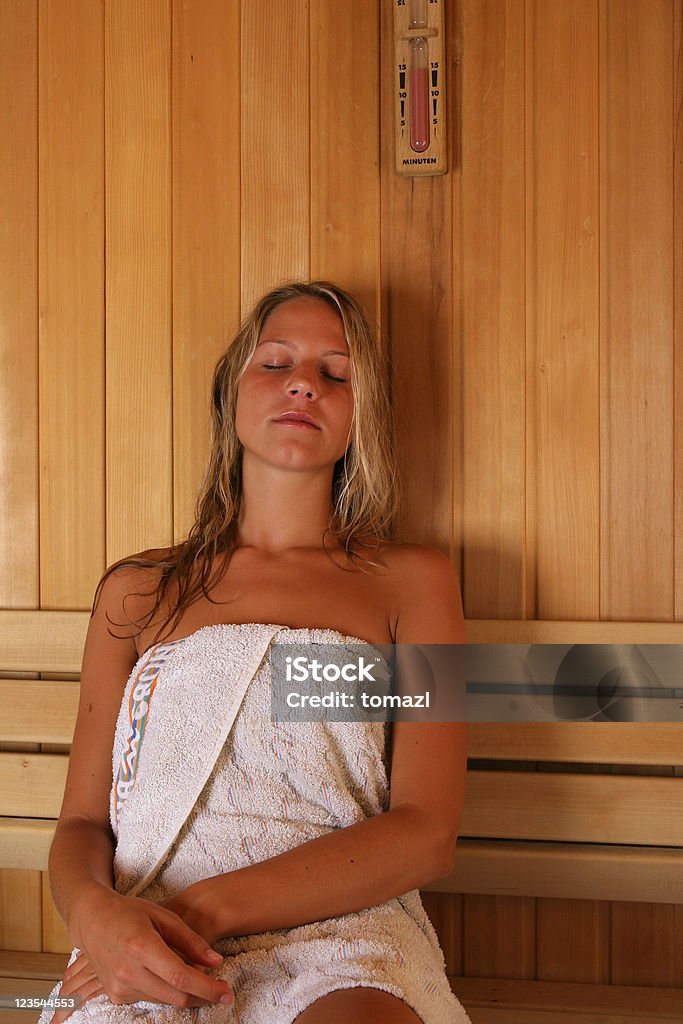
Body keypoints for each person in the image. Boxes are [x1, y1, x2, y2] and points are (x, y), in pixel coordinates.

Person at [41, 281, 471, 1024]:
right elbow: (82, 823)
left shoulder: (412, 584)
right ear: (229, 396)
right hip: (146, 936)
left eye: (336, 374)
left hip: (344, 932)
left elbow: (426, 832)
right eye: (275, 363)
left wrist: (204, 912)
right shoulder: (138, 593)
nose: (304, 381)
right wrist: (93, 915)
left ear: (358, 419)